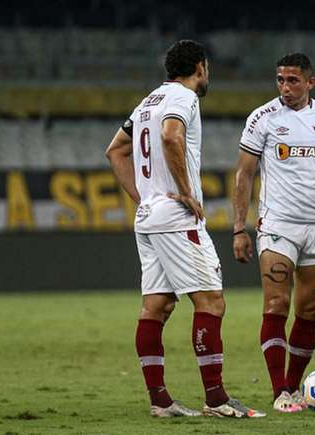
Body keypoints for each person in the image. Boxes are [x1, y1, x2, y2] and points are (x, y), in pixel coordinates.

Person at [105, 39, 264, 418]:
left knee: (155, 307)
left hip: (149, 219)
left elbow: (115, 150)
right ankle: (217, 399)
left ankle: (160, 402)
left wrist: (143, 197)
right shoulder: (183, 98)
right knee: (211, 302)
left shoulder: (148, 102)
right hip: (176, 219)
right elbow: (171, 135)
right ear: (201, 67)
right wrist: (186, 192)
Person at [232, 53, 315, 413]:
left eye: (293, 80)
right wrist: (239, 228)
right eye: (280, 80)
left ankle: (294, 387)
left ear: (310, 83)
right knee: (277, 304)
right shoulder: (262, 118)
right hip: (279, 226)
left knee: (310, 310)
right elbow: (244, 175)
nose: (285, 87)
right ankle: (280, 390)